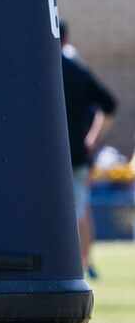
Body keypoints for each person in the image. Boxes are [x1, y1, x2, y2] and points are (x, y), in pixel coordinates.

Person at [60, 21, 117, 278]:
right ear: (66, 39)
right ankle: (83, 266)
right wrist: (92, 138)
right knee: (80, 211)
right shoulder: (76, 70)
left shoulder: (38, 69)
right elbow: (109, 104)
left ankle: (65, 264)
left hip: (47, 157)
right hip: (77, 154)